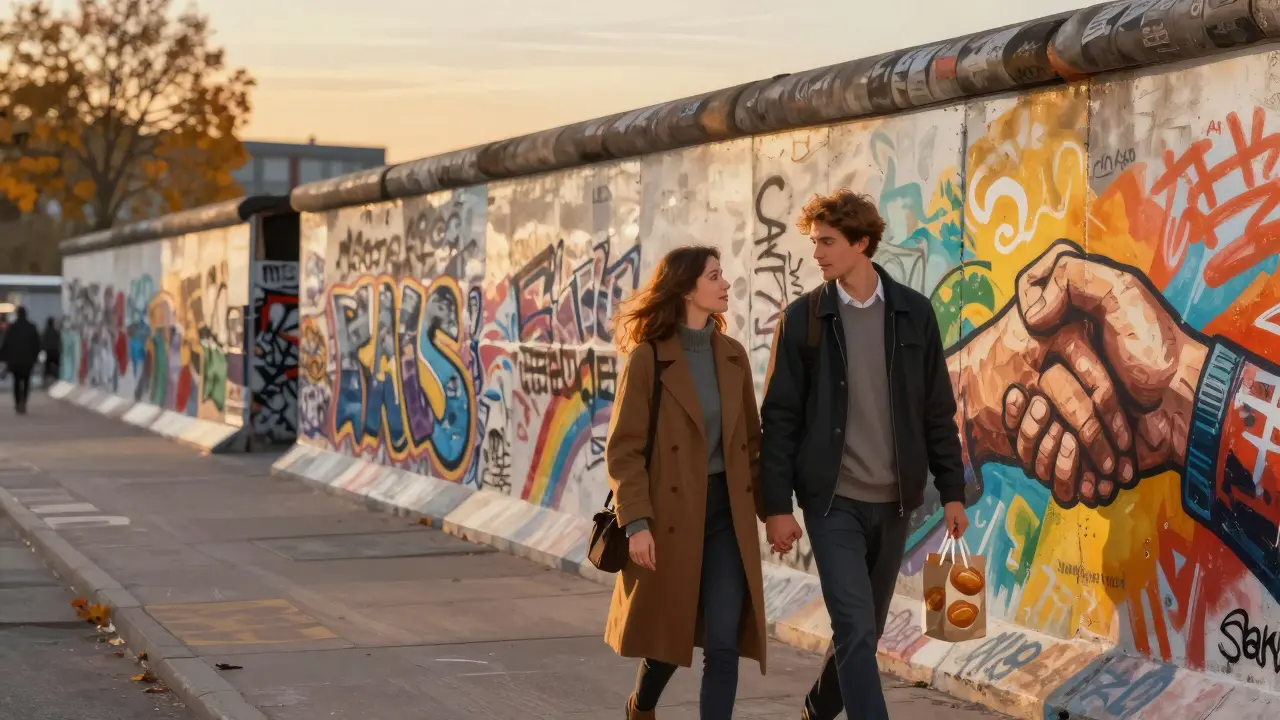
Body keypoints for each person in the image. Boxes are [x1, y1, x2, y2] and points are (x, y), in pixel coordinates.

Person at [759, 190, 969, 720]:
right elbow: (779, 418)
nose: (817, 254)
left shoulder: (913, 314)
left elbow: (936, 410)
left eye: (827, 242)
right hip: (832, 501)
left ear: (861, 243)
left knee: (864, 631)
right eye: (814, 243)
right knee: (853, 625)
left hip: (895, 501)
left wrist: (952, 493)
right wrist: (776, 506)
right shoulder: (804, 319)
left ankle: (815, 712)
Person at [604, 245, 768, 720]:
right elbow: (624, 449)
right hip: (669, 516)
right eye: (715, 276)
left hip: (726, 518)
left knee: (721, 642)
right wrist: (636, 522)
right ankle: (642, 706)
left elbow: (751, 447)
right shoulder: (649, 360)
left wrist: (772, 513)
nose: (725, 284)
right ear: (687, 289)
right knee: (669, 639)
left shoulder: (733, 357)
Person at [0, 306, 42, 414]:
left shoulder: (11, 327)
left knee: (16, 382)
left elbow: (6, 344)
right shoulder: (32, 327)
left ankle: (18, 402)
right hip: (28, 360)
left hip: (14, 360)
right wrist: (36, 357)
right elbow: (37, 344)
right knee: (26, 381)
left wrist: (4, 358)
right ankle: (24, 401)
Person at [41, 317, 60, 386]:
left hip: (47, 352)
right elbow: (59, 342)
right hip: (55, 352)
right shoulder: (56, 332)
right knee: (57, 367)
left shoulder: (45, 333)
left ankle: (45, 381)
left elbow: (42, 343)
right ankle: (57, 379)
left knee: (46, 367)